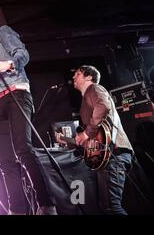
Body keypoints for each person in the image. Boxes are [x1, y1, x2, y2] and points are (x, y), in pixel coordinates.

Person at [0, 11, 56, 215]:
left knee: (23, 149)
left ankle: (46, 205)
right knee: (4, 160)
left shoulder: (3, 32)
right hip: (1, 101)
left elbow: (22, 54)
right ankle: (17, 210)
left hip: (18, 94)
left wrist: (7, 64)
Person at [56, 65, 133, 215]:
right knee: (107, 207)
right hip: (107, 156)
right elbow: (92, 141)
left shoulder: (94, 89)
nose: (73, 77)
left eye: (77, 74)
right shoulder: (86, 99)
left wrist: (86, 133)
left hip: (114, 155)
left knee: (112, 207)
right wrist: (69, 140)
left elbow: (103, 106)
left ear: (89, 77)